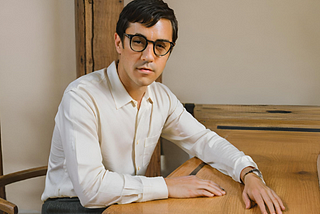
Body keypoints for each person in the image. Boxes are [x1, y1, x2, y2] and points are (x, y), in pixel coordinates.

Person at [41, 0, 285, 213]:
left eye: (160, 46)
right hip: (71, 206)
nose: (149, 56)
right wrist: (168, 185)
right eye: (138, 42)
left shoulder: (161, 97)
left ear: (169, 51)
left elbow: (203, 140)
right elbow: (91, 190)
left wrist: (248, 173)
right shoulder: (81, 96)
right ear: (118, 42)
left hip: (126, 202)